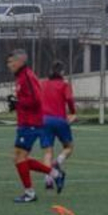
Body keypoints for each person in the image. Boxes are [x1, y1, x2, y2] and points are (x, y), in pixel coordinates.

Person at [7, 49, 63, 203]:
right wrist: (16, 103)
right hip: (25, 122)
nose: (9, 65)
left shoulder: (27, 76)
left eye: (11, 62)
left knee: (19, 158)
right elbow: (27, 99)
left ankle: (30, 193)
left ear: (20, 62)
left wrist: (18, 103)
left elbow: (37, 100)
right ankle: (55, 174)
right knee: (19, 158)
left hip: (31, 123)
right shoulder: (21, 77)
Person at [39, 61, 77, 189]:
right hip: (60, 120)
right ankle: (57, 162)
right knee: (69, 147)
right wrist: (73, 112)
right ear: (62, 72)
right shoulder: (64, 85)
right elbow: (69, 99)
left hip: (44, 120)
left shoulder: (43, 84)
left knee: (47, 152)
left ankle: (48, 179)